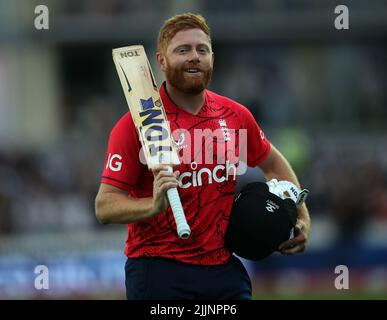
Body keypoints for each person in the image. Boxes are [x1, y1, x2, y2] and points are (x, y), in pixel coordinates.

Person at [95, 13, 311, 300]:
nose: (194, 57)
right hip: (159, 269)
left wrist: (301, 215)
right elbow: (104, 206)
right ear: (161, 61)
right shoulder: (134, 125)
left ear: (212, 58)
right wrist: (152, 205)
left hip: (223, 269)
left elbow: (272, 164)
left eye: (202, 50)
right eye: (182, 50)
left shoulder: (235, 115)